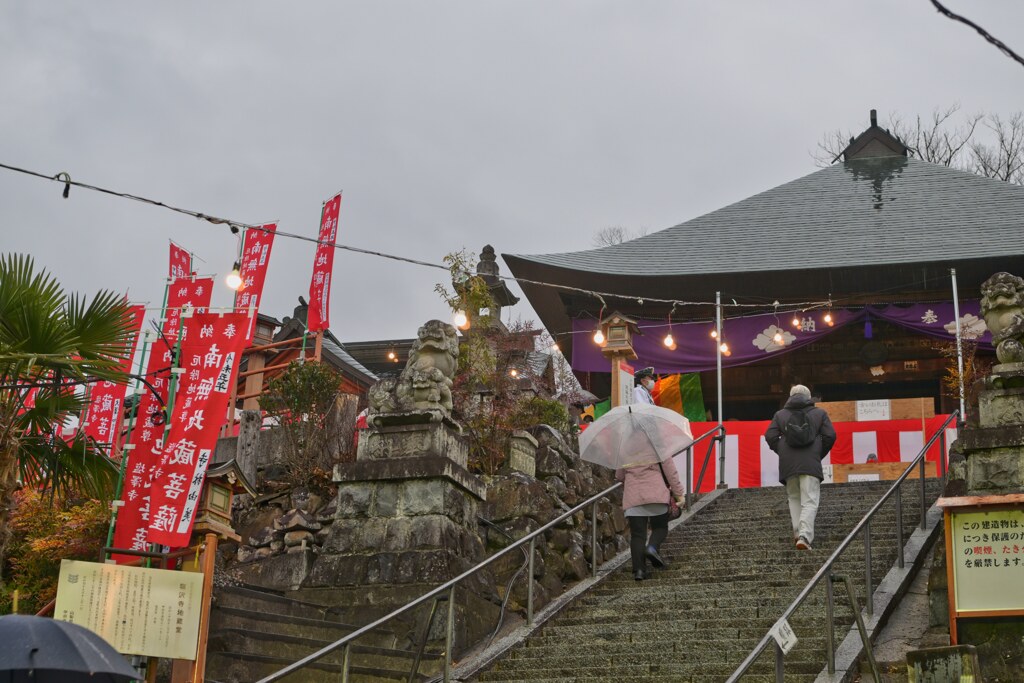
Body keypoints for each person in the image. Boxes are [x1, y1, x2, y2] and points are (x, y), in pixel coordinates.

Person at [764, 384, 836, 551]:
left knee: (794, 498)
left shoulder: (780, 414)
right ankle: (804, 536)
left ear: (790, 396)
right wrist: (818, 452)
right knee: (809, 499)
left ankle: (797, 533)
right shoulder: (819, 413)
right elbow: (830, 435)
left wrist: (782, 450)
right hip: (810, 463)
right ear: (809, 397)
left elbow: (770, 436)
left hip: (788, 465)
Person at [615, 456, 685, 581]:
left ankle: (639, 571)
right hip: (656, 493)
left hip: (634, 497)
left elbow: (619, 476)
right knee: (660, 527)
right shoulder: (657, 444)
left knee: (637, 535)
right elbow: (670, 471)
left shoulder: (626, 448)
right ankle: (652, 547)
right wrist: (679, 493)